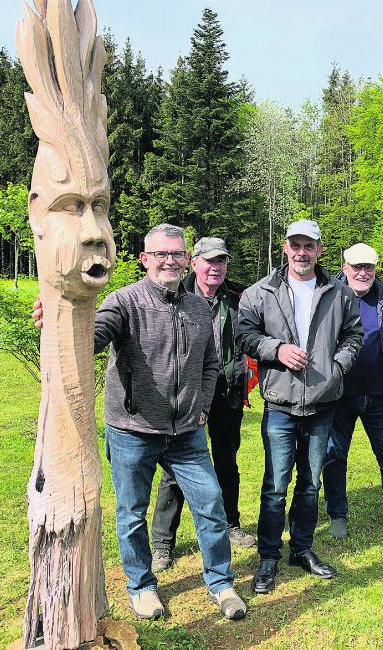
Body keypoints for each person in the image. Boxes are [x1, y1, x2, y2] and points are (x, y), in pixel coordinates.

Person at [33, 224, 246, 620]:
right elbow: (92, 337)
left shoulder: (200, 307)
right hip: (132, 430)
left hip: (186, 432)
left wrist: (199, 407)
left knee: (212, 504)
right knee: (132, 513)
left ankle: (220, 582)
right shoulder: (124, 302)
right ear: (145, 259)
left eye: (177, 254)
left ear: (187, 260)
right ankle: (142, 586)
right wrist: (60, 322)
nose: (170, 261)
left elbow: (209, 363)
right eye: (161, 254)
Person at [236, 219, 363, 594]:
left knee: (310, 484)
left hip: (323, 404)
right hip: (279, 403)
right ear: (285, 248)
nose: (302, 253)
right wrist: (276, 349)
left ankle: (302, 549)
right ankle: (269, 557)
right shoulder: (261, 292)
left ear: (320, 250)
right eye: (296, 245)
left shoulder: (339, 293)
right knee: (275, 485)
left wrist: (337, 367)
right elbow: (244, 335)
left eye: (309, 246)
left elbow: (354, 335)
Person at [151, 237, 255, 573]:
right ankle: (163, 543)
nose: (216, 268)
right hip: (185, 396)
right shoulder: (175, 296)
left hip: (227, 394)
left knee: (227, 460)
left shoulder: (241, 298)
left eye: (222, 261)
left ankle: (230, 524)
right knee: (175, 468)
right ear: (193, 263)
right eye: (209, 261)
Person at [323, 243, 383, 540]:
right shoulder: (329, 295)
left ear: (376, 268)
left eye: (369, 267)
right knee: (335, 456)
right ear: (345, 266)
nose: (363, 273)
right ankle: (337, 515)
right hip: (339, 395)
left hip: (379, 394)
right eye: (357, 267)